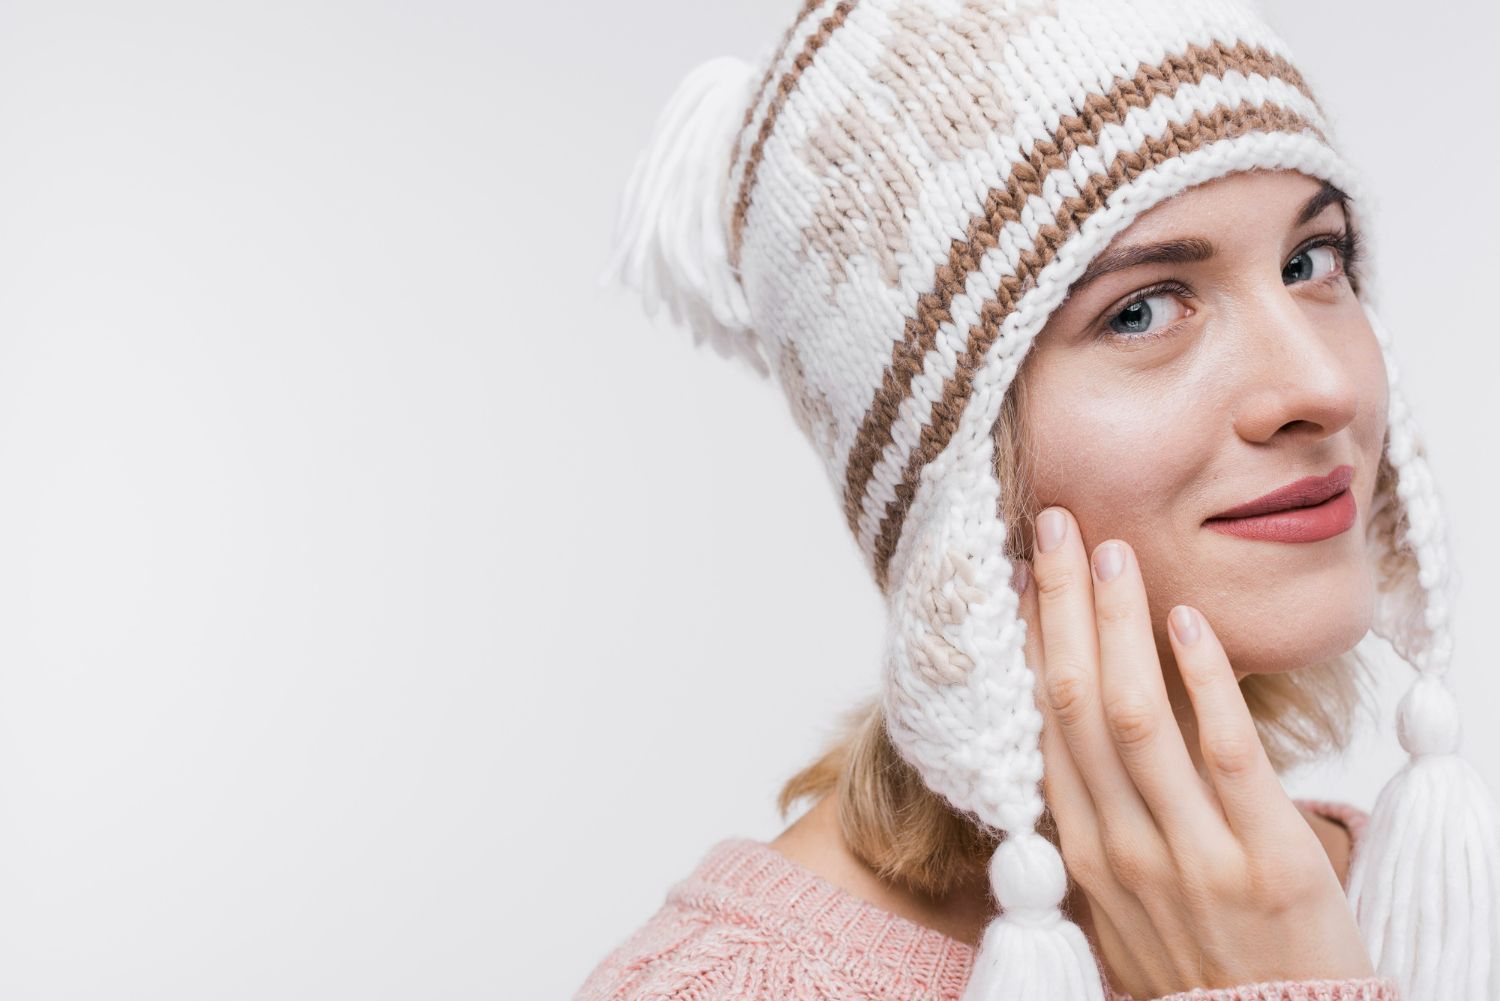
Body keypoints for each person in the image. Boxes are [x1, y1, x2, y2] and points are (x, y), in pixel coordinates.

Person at [582, 1, 1500, 999]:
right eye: (1142, 309)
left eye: (1312, 260)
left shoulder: (1399, 904)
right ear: (946, 470)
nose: (1323, 384)